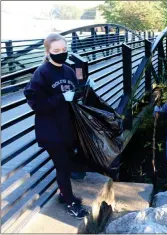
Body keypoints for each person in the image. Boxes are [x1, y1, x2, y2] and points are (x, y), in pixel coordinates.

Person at [24, 33, 95, 219]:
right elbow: (36, 104)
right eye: (56, 51)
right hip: (50, 130)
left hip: (68, 127)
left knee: (69, 162)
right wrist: (60, 98)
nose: (61, 53)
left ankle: (64, 194)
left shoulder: (69, 70)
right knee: (62, 166)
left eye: (64, 50)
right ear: (48, 52)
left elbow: (73, 93)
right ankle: (71, 202)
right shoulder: (42, 73)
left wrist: (84, 89)